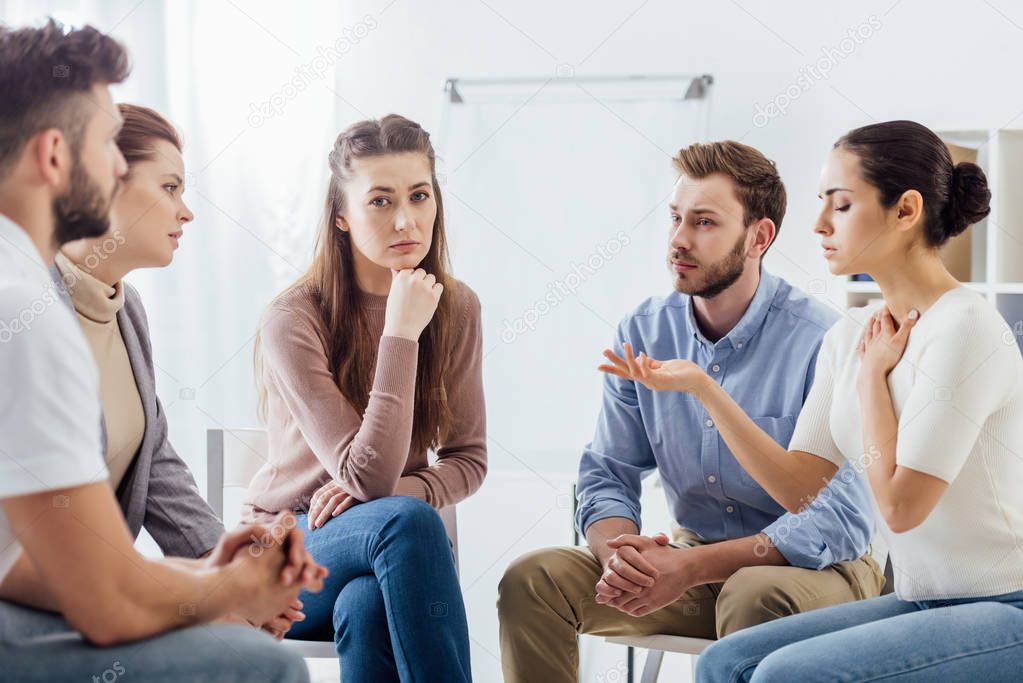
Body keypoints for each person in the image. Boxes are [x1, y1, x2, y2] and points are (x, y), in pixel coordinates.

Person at [612, 121, 1023, 681]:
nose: (818, 224)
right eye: (822, 202)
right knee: (725, 662)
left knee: (786, 675)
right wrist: (705, 389)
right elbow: (800, 488)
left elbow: (902, 510)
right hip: (922, 598)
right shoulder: (853, 334)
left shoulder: (964, 328)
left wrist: (872, 387)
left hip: (1005, 606)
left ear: (906, 210)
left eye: (842, 204)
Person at [0, 19, 323, 682]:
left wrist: (212, 569)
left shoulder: (51, 296)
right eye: (105, 142)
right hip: (32, 605)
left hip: (43, 587)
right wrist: (227, 590)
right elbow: (102, 598)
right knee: (264, 667)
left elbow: (150, 472)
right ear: (54, 155)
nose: (117, 164)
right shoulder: (25, 310)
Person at [498, 140, 882, 683]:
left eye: (703, 222)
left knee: (754, 592)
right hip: (692, 568)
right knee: (532, 579)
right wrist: (618, 553)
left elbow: (840, 521)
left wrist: (691, 566)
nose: (679, 239)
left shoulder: (821, 341)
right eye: (676, 218)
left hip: (816, 574)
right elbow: (609, 469)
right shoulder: (645, 331)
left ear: (759, 237)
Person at [244, 114, 486, 682]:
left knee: (368, 604)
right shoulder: (293, 318)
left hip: (386, 555)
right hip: (292, 553)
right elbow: (369, 478)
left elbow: (468, 460)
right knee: (406, 521)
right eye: (380, 201)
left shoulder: (457, 307)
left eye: (419, 196)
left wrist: (388, 494)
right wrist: (400, 334)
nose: (406, 220)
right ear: (341, 216)